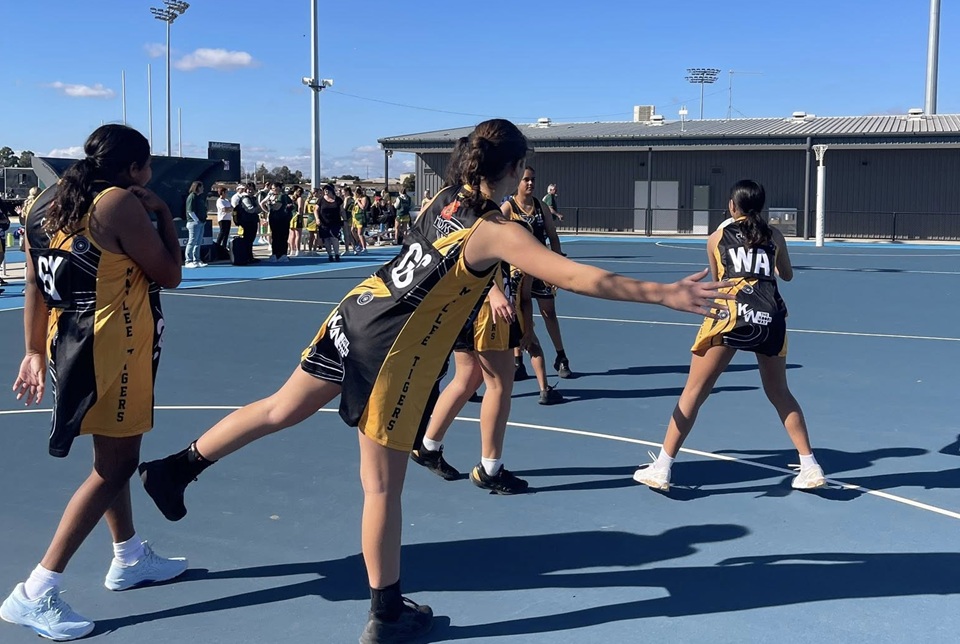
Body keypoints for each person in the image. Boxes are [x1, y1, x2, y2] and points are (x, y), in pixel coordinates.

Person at [136, 119, 730, 643]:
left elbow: (437, 258)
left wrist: (489, 284)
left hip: (356, 311)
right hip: (390, 349)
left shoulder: (440, 199)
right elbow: (572, 276)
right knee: (380, 487)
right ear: (515, 169)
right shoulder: (496, 229)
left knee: (279, 407)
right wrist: (664, 293)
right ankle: (387, 612)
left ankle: (177, 468)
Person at [1, 124, 188, 641]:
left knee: (111, 456)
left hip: (70, 340)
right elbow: (169, 273)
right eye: (146, 168)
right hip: (112, 345)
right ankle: (34, 591)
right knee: (118, 464)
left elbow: (36, 279)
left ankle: (128, 556)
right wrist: (166, 215)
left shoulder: (42, 201)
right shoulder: (117, 206)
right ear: (133, 169)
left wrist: (34, 350)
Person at [633, 179, 827, 493]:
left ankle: (663, 466)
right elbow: (787, 275)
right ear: (761, 207)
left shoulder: (716, 237)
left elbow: (716, 277)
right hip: (770, 315)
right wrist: (770, 263)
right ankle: (809, 465)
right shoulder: (774, 235)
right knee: (779, 392)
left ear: (731, 206)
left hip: (731, 314)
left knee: (694, 392)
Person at [503, 169, 571, 379]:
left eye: (533, 180)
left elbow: (553, 236)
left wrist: (557, 266)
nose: (530, 183)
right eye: (526, 180)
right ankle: (518, 360)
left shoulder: (541, 207)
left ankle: (561, 357)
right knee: (517, 314)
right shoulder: (508, 208)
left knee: (548, 312)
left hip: (541, 269)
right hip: (517, 271)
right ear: (517, 182)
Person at [316, 184, 343, 261]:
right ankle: (330, 255)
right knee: (326, 239)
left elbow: (342, 211)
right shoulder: (321, 200)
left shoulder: (338, 200)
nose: (326, 191)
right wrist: (317, 219)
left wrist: (344, 219)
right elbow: (316, 210)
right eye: (324, 190)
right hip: (324, 222)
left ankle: (337, 254)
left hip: (335, 222)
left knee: (334, 238)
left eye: (327, 189)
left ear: (331, 190)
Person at [184, 181, 208, 268]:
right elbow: (190, 210)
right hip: (193, 223)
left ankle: (196, 260)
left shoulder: (199, 197)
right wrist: (196, 220)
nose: (203, 189)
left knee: (198, 242)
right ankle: (188, 260)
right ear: (197, 187)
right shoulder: (192, 196)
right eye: (201, 187)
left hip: (201, 222)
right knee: (192, 241)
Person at [214, 186, 233, 251]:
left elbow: (231, 208)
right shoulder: (219, 201)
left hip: (228, 219)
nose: (226, 194)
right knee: (222, 232)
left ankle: (224, 247)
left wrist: (229, 209)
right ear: (222, 192)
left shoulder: (227, 200)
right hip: (222, 219)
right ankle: (217, 246)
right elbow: (224, 209)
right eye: (226, 192)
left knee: (226, 234)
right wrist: (228, 209)